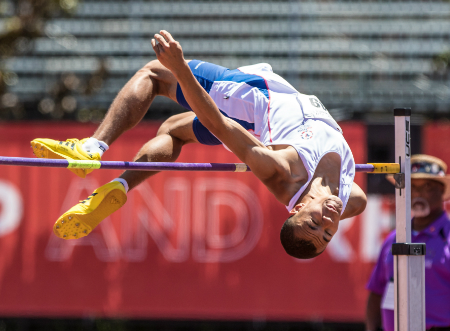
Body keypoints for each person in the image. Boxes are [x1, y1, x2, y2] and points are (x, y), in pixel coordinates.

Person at [31, 30, 367, 259]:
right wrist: (401, 181)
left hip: (255, 101)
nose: (327, 223)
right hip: (267, 117)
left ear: (296, 209)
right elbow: (362, 200)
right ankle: (120, 185)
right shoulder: (351, 200)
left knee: (154, 75)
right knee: (173, 132)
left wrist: (179, 68)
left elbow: (218, 124)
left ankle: (93, 148)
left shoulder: (284, 171)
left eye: (313, 224)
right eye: (327, 233)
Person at [366, 154, 450, 331]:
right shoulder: (393, 239)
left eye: (427, 186)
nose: (418, 193)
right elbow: (377, 290)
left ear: (442, 192)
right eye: (412, 186)